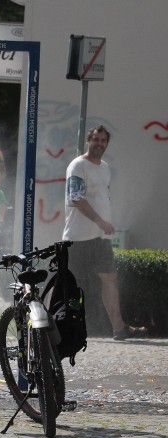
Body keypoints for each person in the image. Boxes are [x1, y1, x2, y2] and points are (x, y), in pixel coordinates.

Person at [63, 125, 147, 341]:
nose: (99, 144)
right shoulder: (77, 165)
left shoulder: (105, 168)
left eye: (103, 141)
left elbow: (101, 198)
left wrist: (105, 224)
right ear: (88, 141)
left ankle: (119, 328)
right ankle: (51, 328)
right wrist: (100, 221)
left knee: (109, 278)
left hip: (101, 238)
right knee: (68, 283)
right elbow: (76, 198)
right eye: (96, 139)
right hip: (78, 237)